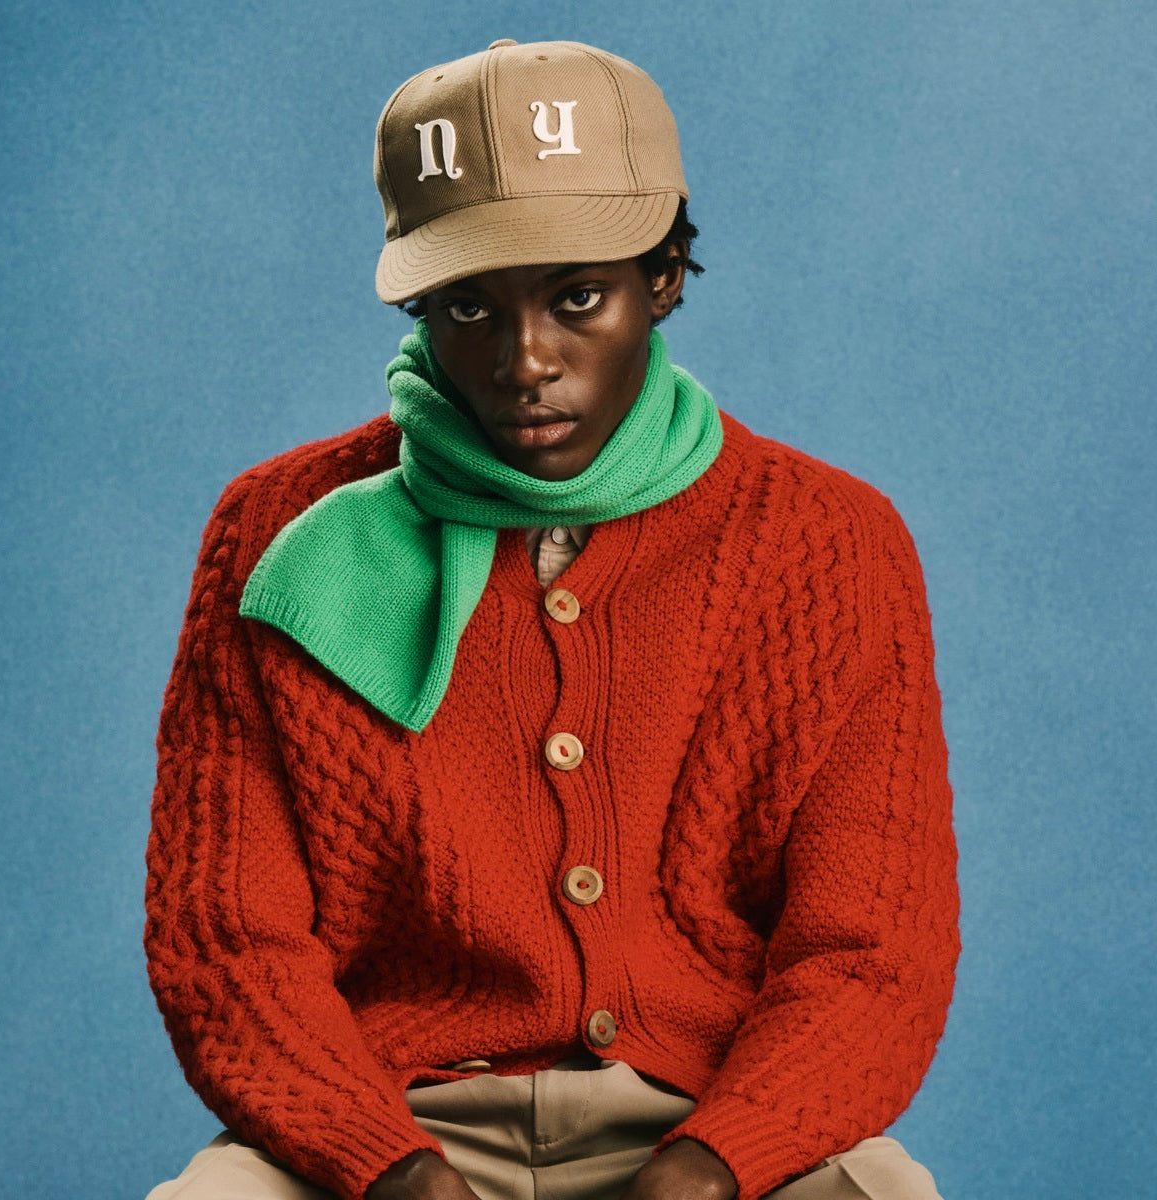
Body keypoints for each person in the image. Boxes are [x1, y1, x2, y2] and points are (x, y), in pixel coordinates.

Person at [144, 38, 959, 1200]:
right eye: (468, 307)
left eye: (578, 297)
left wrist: (711, 1167)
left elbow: (872, 951)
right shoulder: (277, 530)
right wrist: (390, 1170)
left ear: (664, 275)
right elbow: (226, 944)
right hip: (384, 1122)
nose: (524, 360)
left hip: (713, 1124)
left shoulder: (832, 544)